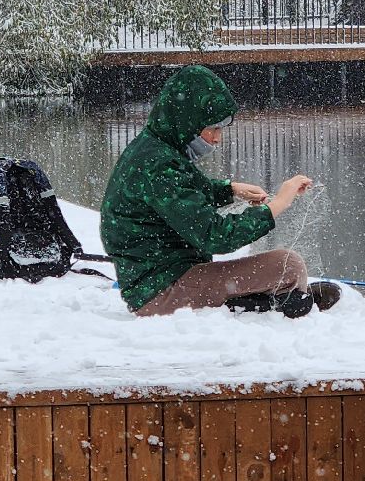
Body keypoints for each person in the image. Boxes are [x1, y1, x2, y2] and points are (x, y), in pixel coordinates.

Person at [101, 65, 340, 318]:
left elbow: (180, 195)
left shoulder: (155, 149)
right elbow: (216, 236)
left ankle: (271, 296)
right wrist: (278, 204)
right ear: (188, 122)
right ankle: (270, 301)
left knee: (286, 268)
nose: (217, 139)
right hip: (161, 293)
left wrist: (230, 190)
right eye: (212, 129)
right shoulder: (159, 164)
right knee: (288, 265)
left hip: (159, 282)